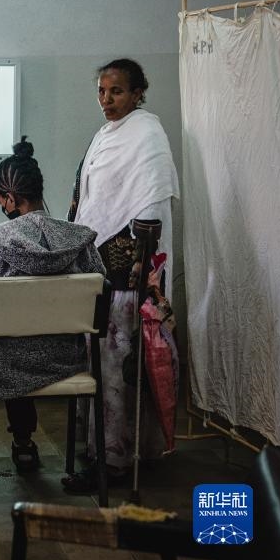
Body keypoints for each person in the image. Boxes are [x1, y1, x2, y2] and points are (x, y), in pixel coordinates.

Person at [0, 137, 107, 473]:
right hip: (63, 359)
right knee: (18, 347)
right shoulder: (80, 239)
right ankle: (23, 444)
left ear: (10, 198)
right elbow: (100, 292)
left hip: (4, 362)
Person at [63, 58, 180, 493]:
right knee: (101, 360)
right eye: (101, 91)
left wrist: (141, 268)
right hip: (99, 262)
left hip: (131, 269)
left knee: (119, 364)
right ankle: (105, 448)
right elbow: (90, 195)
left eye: (116, 91)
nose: (107, 99)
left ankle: (115, 460)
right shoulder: (106, 133)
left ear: (137, 93)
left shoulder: (146, 133)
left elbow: (152, 200)